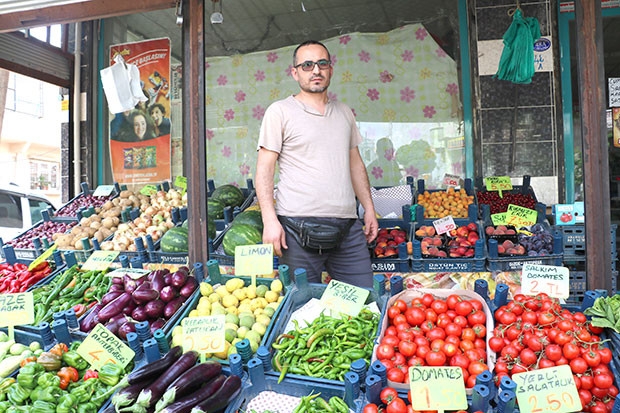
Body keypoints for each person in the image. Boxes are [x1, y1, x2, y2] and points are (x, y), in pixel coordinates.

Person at [255, 40, 379, 288]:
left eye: (322, 63)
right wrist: (269, 220)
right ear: (295, 72)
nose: (316, 70)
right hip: (296, 228)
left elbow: (355, 164)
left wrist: (369, 208)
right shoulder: (279, 112)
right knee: (301, 304)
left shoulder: (344, 112)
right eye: (307, 65)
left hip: (348, 228)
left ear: (330, 69)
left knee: (363, 299)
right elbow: (264, 169)